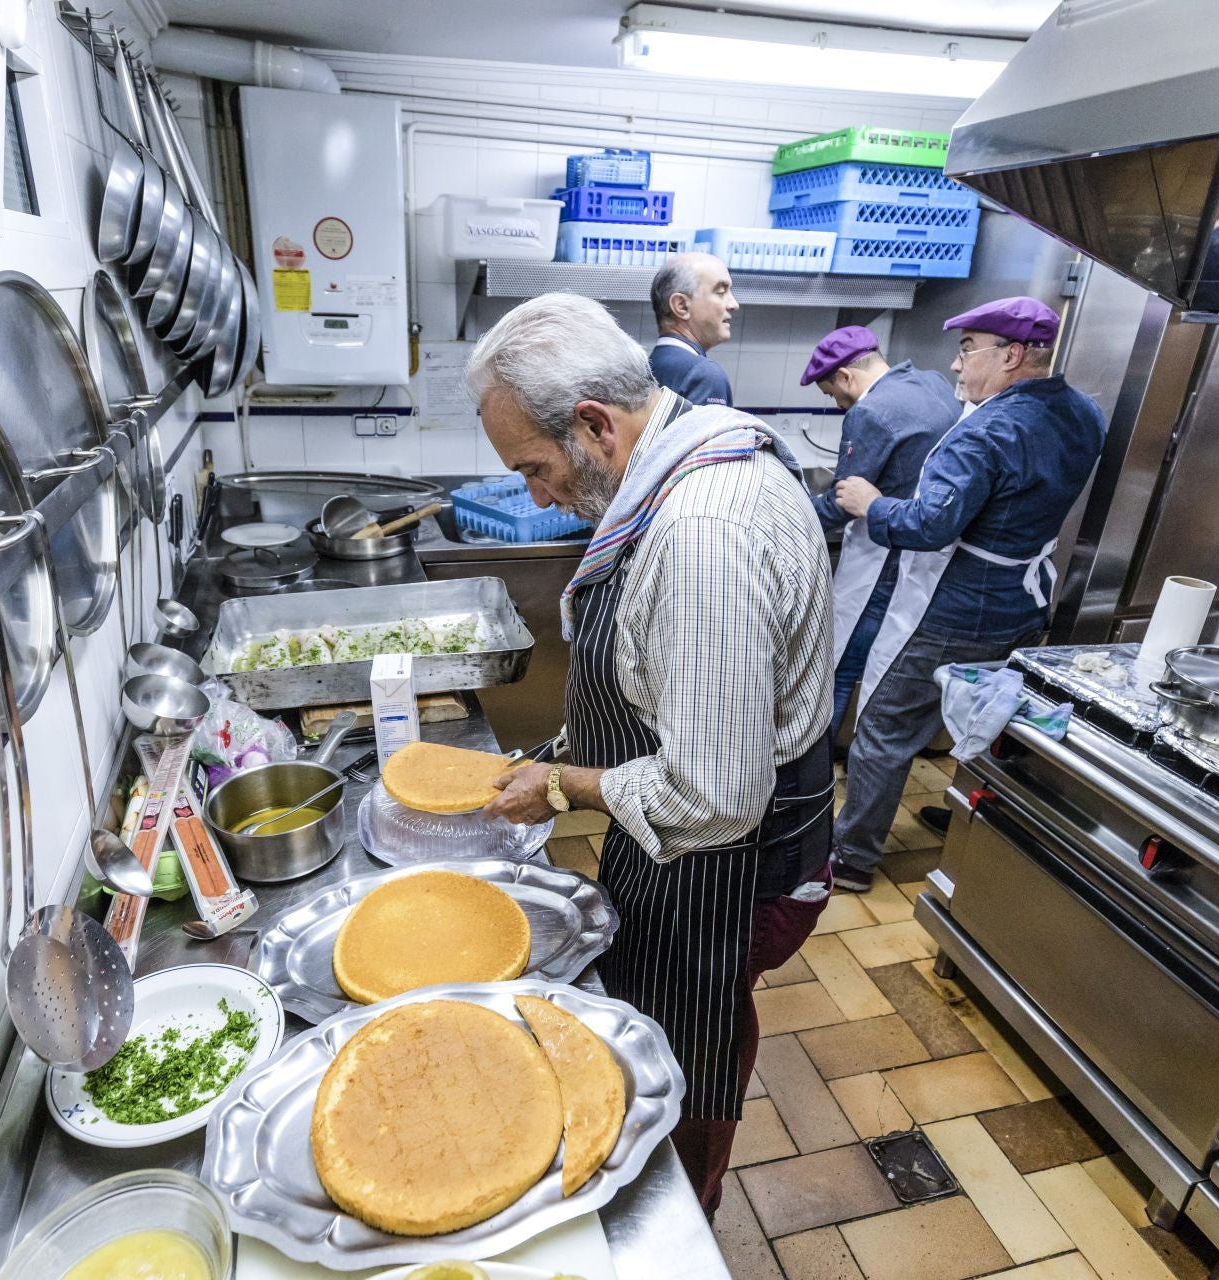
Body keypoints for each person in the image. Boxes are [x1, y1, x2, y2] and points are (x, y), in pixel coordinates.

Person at [470, 293, 834, 1216]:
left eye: (536, 467)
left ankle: (681, 1214)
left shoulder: (702, 533)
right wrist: (565, 751)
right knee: (662, 1026)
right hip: (699, 848)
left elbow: (713, 797)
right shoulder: (680, 457)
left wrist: (562, 785)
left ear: (596, 423)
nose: (536, 497)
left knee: (688, 1056)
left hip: (732, 868)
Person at [829, 297, 1105, 890]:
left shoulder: (985, 431)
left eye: (966, 349)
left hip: (954, 609)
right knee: (982, 720)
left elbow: (931, 525)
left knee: (882, 731)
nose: (956, 365)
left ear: (1011, 355)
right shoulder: (1083, 412)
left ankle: (850, 860)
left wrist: (872, 505)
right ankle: (963, 819)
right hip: (1024, 604)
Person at [801, 325, 959, 764]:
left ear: (846, 377)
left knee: (840, 666)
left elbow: (843, 499)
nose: (838, 404)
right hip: (930, 554)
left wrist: (790, 515)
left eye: (833, 393)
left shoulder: (869, 412)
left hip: (883, 560)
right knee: (887, 665)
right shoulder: (932, 383)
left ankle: (813, 770)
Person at [646, 252, 737, 406]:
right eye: (721, 292)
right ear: (682, 306)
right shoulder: (704, 376)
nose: (734, 304)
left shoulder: (650, 365)